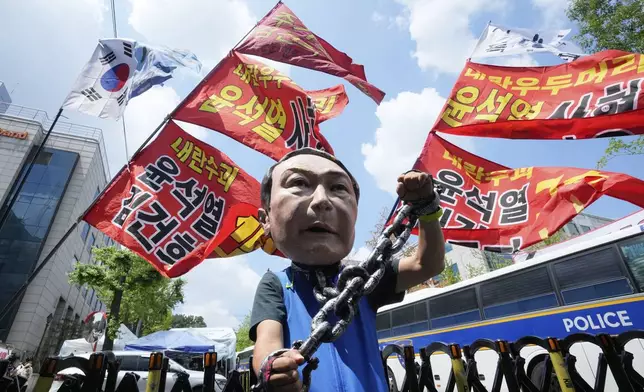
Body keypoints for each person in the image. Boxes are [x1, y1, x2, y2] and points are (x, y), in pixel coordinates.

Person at [249, 148, 446, 392]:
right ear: (265, 218)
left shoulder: (362, 279)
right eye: (299, 183)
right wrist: (272, 365)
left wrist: (428, 211)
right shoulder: (275, 283)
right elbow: (267, 340)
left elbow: (426, 264)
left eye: (338, 188)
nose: (322, 200)